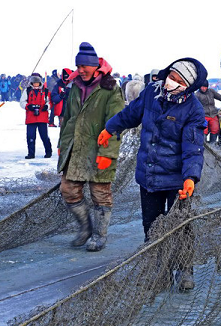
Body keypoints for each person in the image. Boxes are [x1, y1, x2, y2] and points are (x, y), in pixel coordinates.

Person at [100, 58, 208, 290]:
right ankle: (160, 270)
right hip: (149, 176)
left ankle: (185, 268)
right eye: (172, 76)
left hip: (178, 180)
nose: (172, 82)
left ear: (188, 86)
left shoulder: (194, 110)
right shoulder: (151, 93)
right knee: (151, 226)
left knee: (181, 225)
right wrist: (110, 128)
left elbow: (193, 148)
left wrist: (190, 177)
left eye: (179, 81)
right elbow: (130, 114)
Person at [57, 42, 125, 252]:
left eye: (84, 67)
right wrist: (62, 144)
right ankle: (85, 228)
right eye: (78, 67)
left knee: (100, 193)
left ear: (95, 66)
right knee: (68, 189)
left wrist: (108, 153)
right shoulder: (75, 86)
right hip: (75, 149)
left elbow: (116, 122)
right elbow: (67, 118)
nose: (81, 70)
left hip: (99, 148)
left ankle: (99, 235)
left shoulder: (110, 89)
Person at [20, 73, 53, 160]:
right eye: (34, 83)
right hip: (31, 118)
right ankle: (31, 153)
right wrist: (28, 106)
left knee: (44, 136)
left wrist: (47, 106)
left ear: (40, 83)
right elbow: (22, 102)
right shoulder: (27, 91)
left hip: (42, 117)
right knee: (30, 136)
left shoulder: (45, 91)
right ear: (31, 83)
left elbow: (49, 102)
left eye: (37, 83)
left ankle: (48, 152)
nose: (36, 85)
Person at [195, 80, 221, 144]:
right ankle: (203, 145)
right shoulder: (197, 95)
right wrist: (199, 117)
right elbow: (195, 107)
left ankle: (212, 145)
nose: (204, 88)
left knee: (215, 129)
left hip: (213, 114)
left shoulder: (211, 91)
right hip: (203, 115)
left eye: (205, 87)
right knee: (203, 130)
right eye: (202, 87)